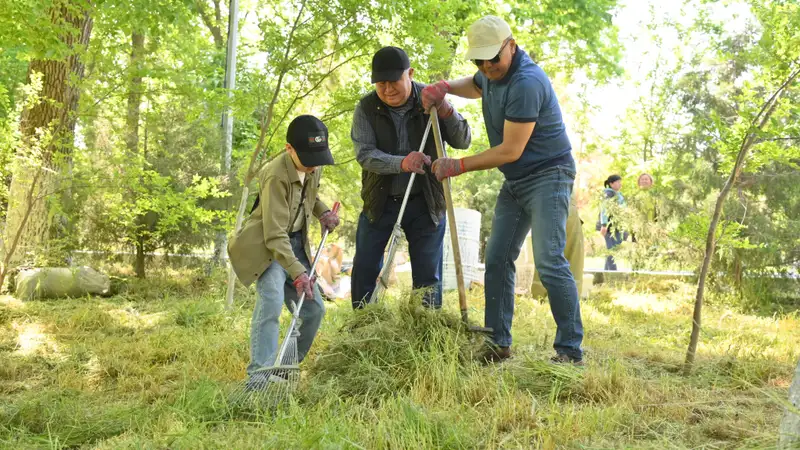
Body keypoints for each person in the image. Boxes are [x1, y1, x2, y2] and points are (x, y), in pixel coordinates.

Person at [424, 16, 583, 365]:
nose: (486, 67)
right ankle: (498, 343)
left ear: (511, 45)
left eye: (493, 59)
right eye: (479, 60)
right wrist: (445, 86)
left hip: (548, 176)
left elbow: (511, 150)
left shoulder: (526, 82)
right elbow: (477, 84)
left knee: (548, 260)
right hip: (517, 180)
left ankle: (570, 350)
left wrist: (458, 165)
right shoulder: (491, 71)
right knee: (496, 259)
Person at [350, 46, 472, 309]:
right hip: (379, 201)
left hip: (426, 201)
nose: (387, 89)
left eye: (393, 81)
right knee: (365, 268)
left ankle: (428, 331)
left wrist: (446, 109)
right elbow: (365, 154)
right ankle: (361, 327)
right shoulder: (366, 108)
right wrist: (402, 163)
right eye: (380, 83)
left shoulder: (431, 99)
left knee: (429, 276)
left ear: (410, 74)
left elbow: (463, 141)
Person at [227, 115, 340, 388]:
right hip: (269, 247)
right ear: (289, 149)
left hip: (295, 244)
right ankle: (259, 379)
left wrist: (323, 212)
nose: (314, 164)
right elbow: (275, 235)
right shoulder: (275, 175)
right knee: (272, 302)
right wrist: (298, 273)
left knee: (313, 311)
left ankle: (284, 369)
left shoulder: (314, 164)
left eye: (318, 156)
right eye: (308, 157)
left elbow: (307, 196)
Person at [531, 199, 584, 298]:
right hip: (567, 205)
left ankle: (539, 295)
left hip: (548, 206)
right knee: (573, 256)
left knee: (545, 255)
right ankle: (572, 296)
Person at [599, 174, 627, 271]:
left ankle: (604, 276)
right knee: (611, 251)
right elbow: (604, 209)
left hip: (617, 227)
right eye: (618, 182)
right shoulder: (608, 193)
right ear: (611, 183)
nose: (620, 184)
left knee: (612, 251)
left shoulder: (618, 194)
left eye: (620, 182)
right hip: (609, 226)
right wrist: (604, 225)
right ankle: (613, 273)